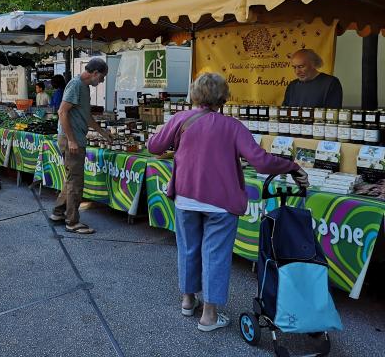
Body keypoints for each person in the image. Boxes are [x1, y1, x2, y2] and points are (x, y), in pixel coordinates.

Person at [147, 73, 309, 332]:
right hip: (221, 203)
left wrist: (157, 135)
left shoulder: (180, 119)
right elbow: (262, 162)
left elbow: (154, 147)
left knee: (188, 248)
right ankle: (209, 315)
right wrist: (291, 166)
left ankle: (188, 301)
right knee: (216, 255)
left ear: (195, 95)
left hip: (186, 198)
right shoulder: (233, 126)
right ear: (223, 99)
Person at [49, 59, 112, 234]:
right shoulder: (76, 85)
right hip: (72, 140)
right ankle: (72, 222)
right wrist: (71, 140)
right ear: (96, 73)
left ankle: (58, 212)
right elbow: (62, 112)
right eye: (102, 77)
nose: (102, 81)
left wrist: (103, 132)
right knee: (76, 181)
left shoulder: (83, 87)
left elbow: (86, 116)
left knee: (71, 179)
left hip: (74, 139)